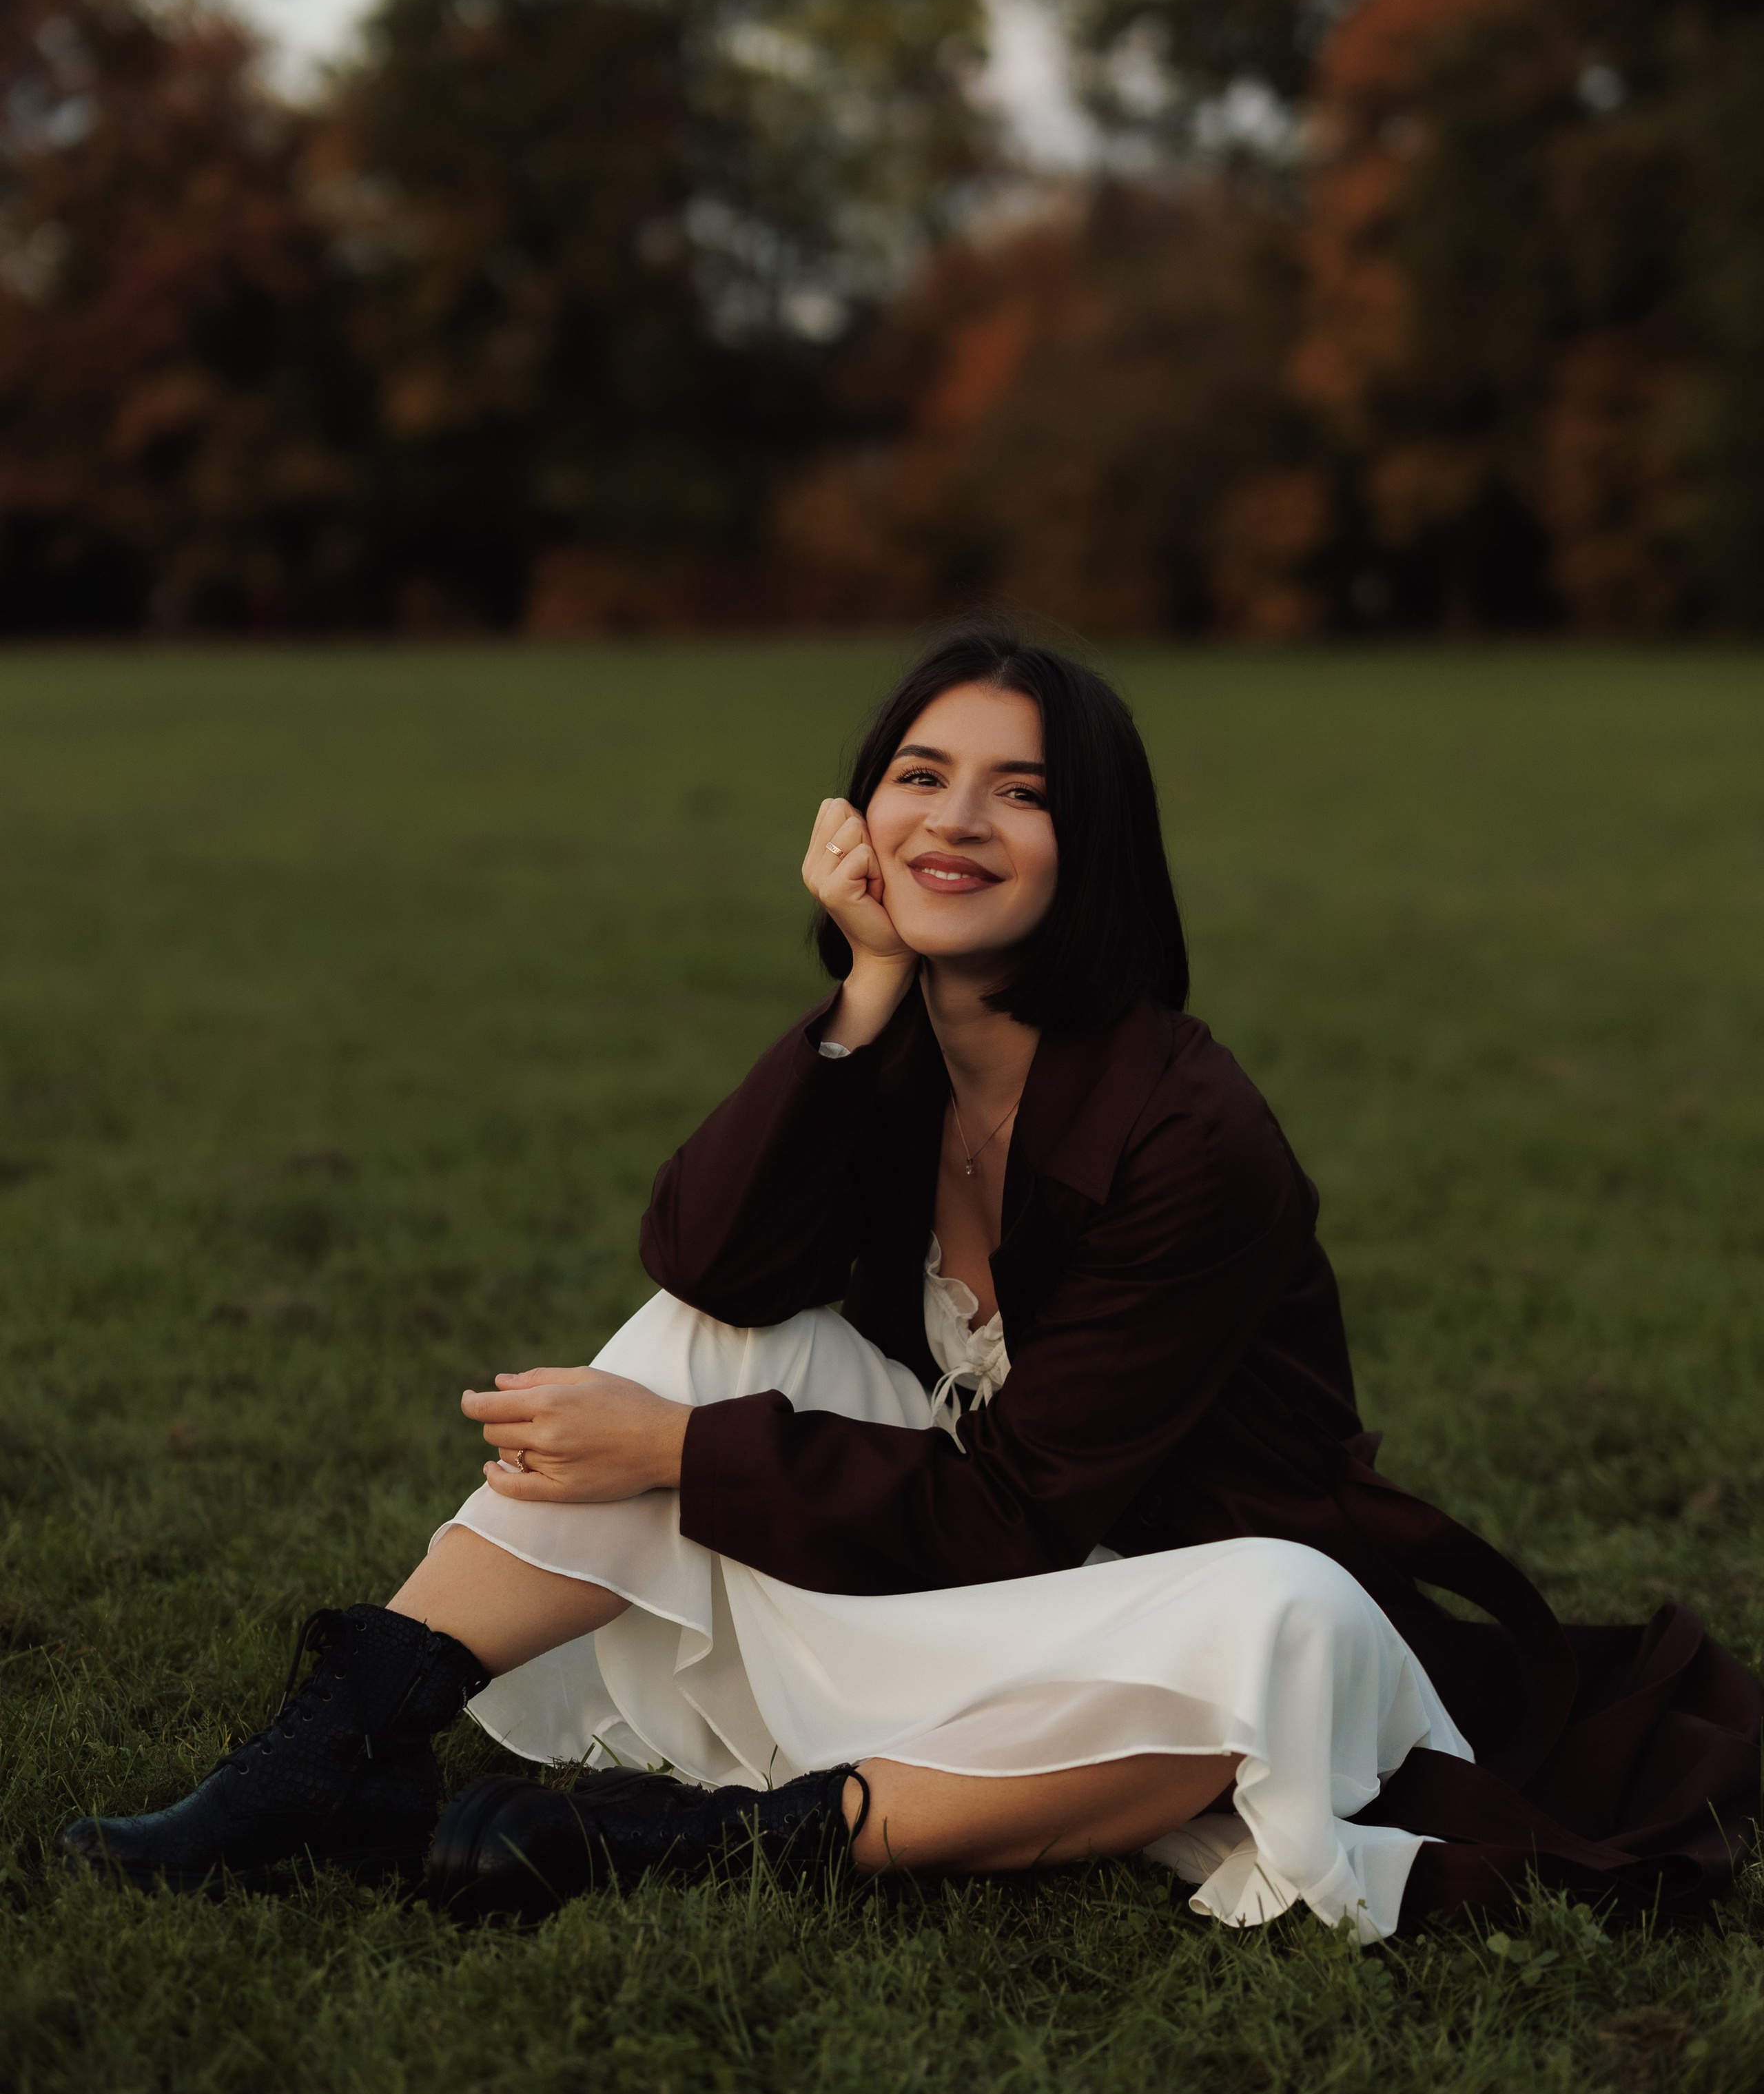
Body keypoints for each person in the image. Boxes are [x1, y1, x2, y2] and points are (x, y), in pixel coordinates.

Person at [63, 626, 1761, 1940]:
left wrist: (673, 1460)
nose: (954, 820)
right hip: (949, 1587)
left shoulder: (1192, 1131)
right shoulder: (893, 1049)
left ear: (1087, 847)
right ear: (858, 812)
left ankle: (723, 1846)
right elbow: (707, 1263)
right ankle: (328, 1756)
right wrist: (861, 988)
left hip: (1134, 1614)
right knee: (714, 1334)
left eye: (1017, 791)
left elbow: (1025, 1514)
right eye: (919, 775)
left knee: (1290, 1616)